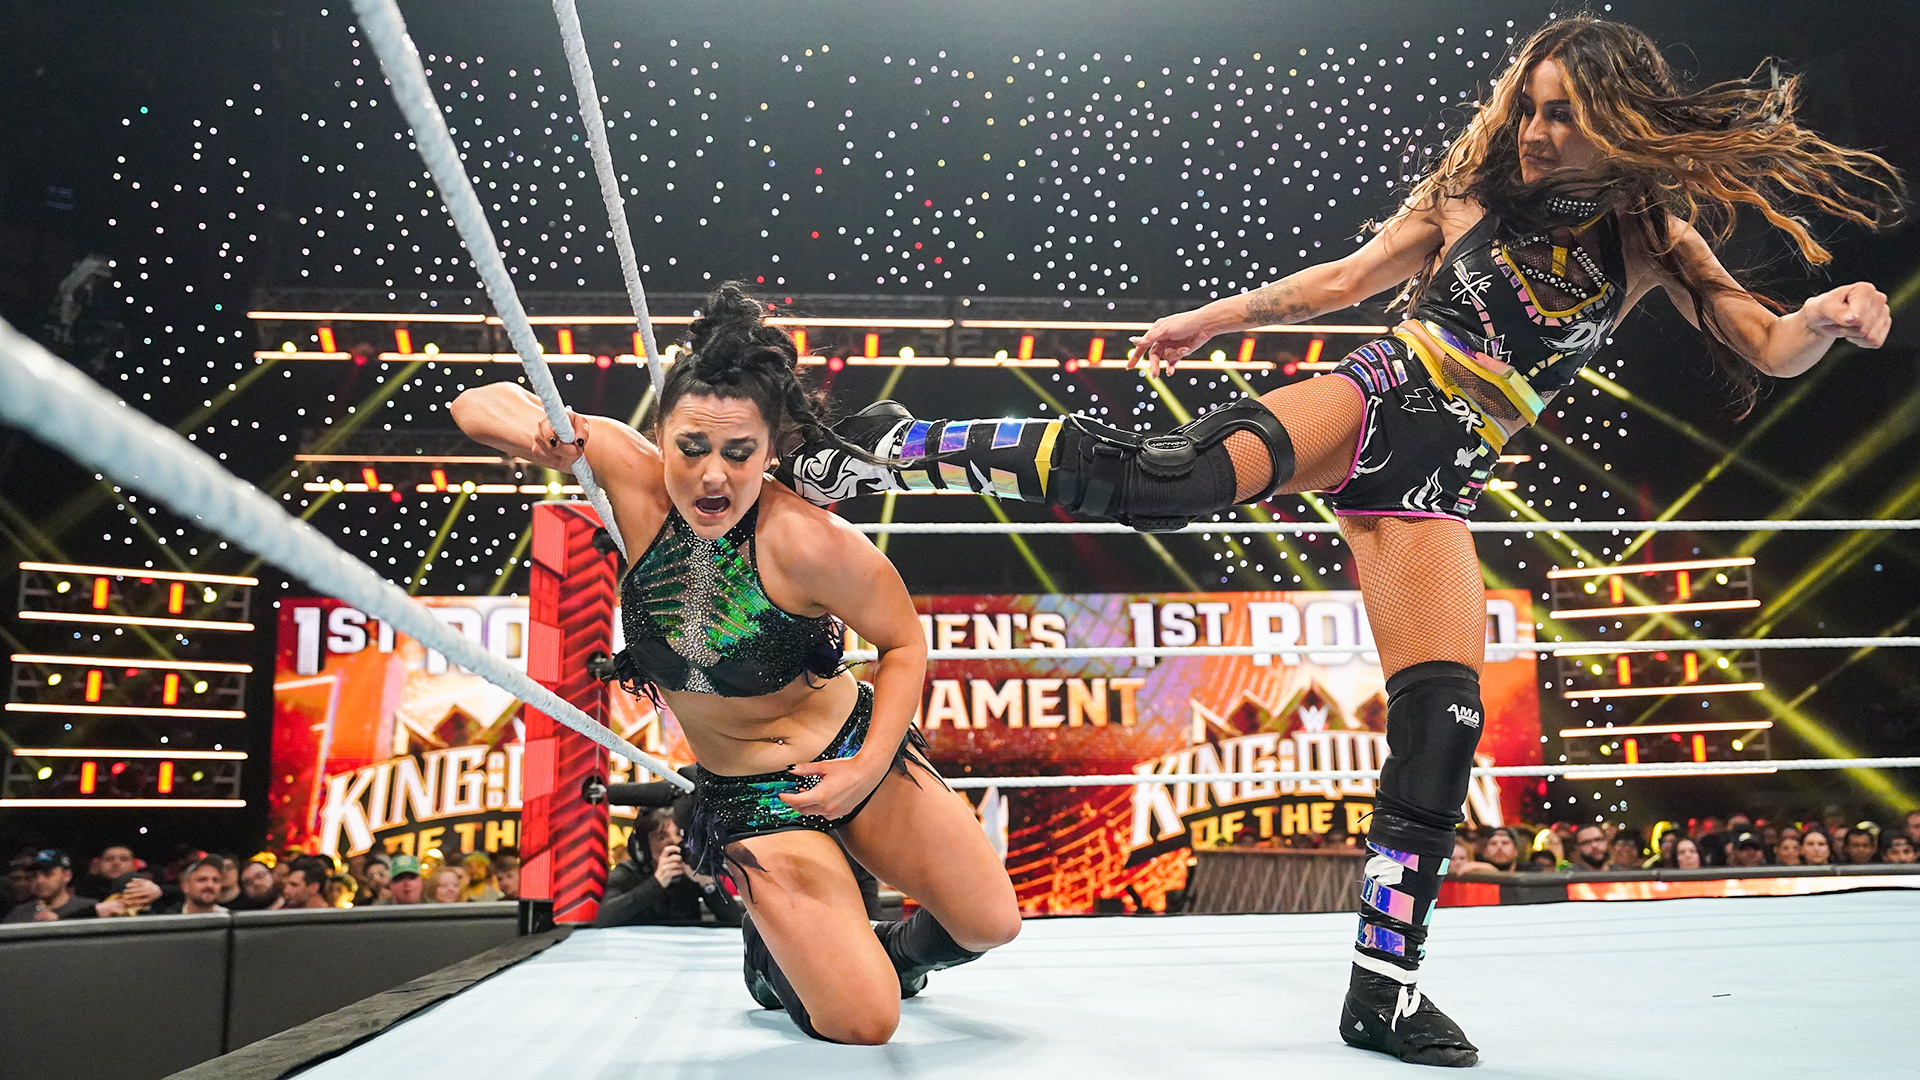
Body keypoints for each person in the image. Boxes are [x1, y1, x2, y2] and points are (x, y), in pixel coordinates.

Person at [781, 15, 1898, 1067]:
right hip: (1378, 398)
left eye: (1562, 112)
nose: (1535, 130)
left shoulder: (1651, 236)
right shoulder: (1472, 194)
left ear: (1617, 118)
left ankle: (1383, 988)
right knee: (1166, 480)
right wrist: (1214, 319)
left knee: (1445, 722)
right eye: (1529, 107)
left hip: (1436, 484)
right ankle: (897, 443)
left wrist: (1825, 318)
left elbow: (1765, 343)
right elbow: (1346, 282)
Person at [452, 283, 1021, 1045]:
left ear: (771, 448)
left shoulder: (810, 541)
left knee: (990, 923)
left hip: (852, 753)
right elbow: (475, 403)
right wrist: (548, 434)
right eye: (692, 447)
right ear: (661, 435)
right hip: (753, 794)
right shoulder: (630, 478)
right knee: (864, 1023)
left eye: (738, 452)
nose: (712, 475)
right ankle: (779, 948)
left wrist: (865, 767)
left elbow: (903, 644)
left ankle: (889, 954)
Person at [597, 807, 745, 927]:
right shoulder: (627, 872)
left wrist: (709, 885)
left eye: (678, 834)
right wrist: (656, 883)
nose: (674, 842)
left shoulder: (691, 869)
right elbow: (604, 918)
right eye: (662, 837)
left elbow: (734, 919)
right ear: (643, 847)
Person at [3, 850, 100, 922]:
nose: (39, 881)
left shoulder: (88, 908)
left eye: (47, 873)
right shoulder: (18, 913)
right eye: (34, 875)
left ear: (66, 875)